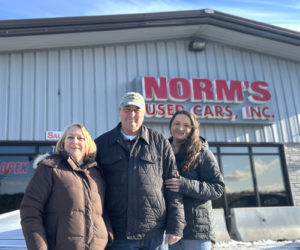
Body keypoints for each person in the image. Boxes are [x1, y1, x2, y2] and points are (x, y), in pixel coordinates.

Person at [95, 92, 185, 250]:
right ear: (119, 111)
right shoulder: (102, 144)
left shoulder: (160, 142)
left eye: (136, 110)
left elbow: (173, 186)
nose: (132, 114)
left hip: (154, 235)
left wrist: (176, 225)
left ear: (144, 112)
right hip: (118, 235)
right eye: (127, 109)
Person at [20, 123, 112, 250]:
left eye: (80, 138)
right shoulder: (49, 168)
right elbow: (30, 210)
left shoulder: (96, 174)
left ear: (87, 144)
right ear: (63, 143)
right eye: (70, 137)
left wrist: (108, 235)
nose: (75, 141)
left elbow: (102, 211)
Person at [165, 110, 225, 250]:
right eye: (177, 124)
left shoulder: (202, 153)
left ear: (193, 129)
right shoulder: (162, 152)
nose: (180, 128)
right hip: (169, 230)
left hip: (196, 232)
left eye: (186, 125)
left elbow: (218, 188)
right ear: (170, 126)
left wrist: (184, 184)